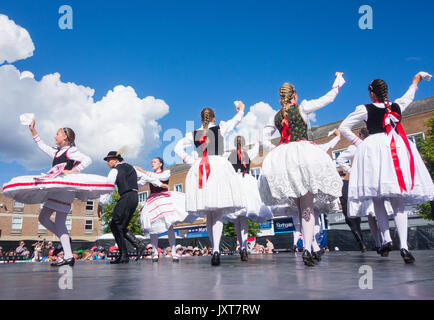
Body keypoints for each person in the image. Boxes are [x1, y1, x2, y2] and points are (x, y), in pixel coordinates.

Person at [338, 72, 434, 263]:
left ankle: (387, 238)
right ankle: (405, 247)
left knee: (378, 198)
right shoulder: (396, 105)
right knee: (398, 202)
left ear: (372, 93)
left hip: (375, 150)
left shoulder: (365, 109)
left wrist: (359, 143)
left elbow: (343, 127)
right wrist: (416, 80)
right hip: (396, 149)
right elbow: (409, 96)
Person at [259, 73, 345, 266]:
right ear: (294, 95)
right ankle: (308, 248)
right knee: (307, 206)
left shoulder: (275, 116)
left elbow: (261, 139)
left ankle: (311, 246)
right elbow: (328, 98)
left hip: (285, 160)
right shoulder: (303, 108)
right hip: (303, 156)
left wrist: (277, 149)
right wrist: (338, 81)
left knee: (300, 207)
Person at [2, 119, 113, 267]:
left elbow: (87, 160)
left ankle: (67, 252)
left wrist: (71, 171)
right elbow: (42, 146)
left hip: (65, 189)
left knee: (57, 221)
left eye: (57, 134)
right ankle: (66, 243)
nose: (55, 136)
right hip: (59, 189)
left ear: (65, 137)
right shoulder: (57, 151)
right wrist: (33, 131)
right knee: (44, 218)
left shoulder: (71, 150)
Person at [175, 102, 246, 266]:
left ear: (201, 119)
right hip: (218, 167)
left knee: (209, 212)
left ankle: (214, 248)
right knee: (217, 210)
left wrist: (191, 160)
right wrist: (240, 109)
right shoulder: (221, 128)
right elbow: (237, 119)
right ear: (214, 117)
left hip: (201, 168)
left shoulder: (193, 133)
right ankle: (216, 250)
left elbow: (178, 148)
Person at [98, 151, 168, 264]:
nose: (107, 163)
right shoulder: (131, 168)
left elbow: (108, 187)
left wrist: (101, 204)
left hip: (126, 197)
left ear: (116, 160)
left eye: (109, 160)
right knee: (120, 226)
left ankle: (126, 253)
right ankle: (135, 247)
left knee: (114, 223)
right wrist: (159, 184)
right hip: (134, 198)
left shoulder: (115, 170)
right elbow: (146, 177)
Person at [135, 157, 194, 263]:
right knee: (152, 227)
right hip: (152, 200)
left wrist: (142, 171)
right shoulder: (148, 176)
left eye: (155, 162)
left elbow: (158, 177)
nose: (152, 163)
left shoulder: (166, 172)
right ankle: (155, 253)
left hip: (164, 198)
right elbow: (139, 184)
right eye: (152, 162)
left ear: (160, 164)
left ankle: (174, 253)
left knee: (169, 226)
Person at [225, 135, 273, 262]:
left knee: (237, 218)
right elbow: (257, 148)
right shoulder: (248, 153)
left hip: (235, 183)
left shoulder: (229, 156)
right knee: (244, 217)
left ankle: (241, 246)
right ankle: (244, 246)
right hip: (246, 181)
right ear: (244, 144)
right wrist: (258, 141)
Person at [336, 128, 383, 253]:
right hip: (374, 180)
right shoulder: (370, 145)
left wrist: (353, 171)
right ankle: (383, 241)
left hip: (368, 181)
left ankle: (380, 242)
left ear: (360, 136)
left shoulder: (357, 146)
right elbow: (340, 159)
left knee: (372, 213)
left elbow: (340, 159)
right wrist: (354, 171)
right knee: (377, 211)